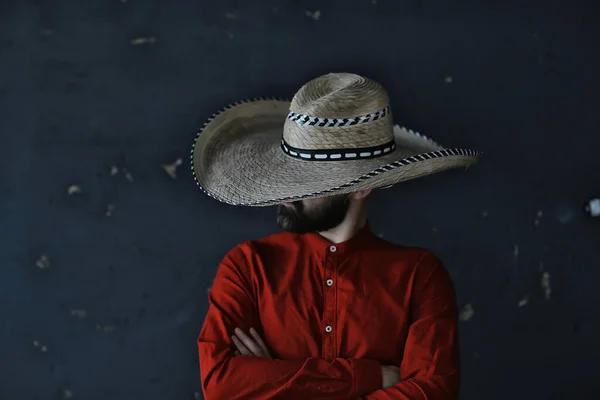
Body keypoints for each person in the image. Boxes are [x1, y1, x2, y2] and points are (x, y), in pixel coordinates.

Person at [190, 72, 480, 399]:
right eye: (287, 178)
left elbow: (432, 392)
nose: (286, 196)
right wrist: (369, 377)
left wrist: (276, 384)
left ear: (362, 187)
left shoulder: (419, 276)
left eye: (306, 184)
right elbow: (221, 382)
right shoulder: (248, 266)